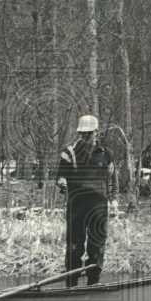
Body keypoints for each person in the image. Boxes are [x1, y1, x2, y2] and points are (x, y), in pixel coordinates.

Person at [56, 114, 117, 287]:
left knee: (96, 245)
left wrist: (113, 199)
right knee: (75, 245)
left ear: (96, 133)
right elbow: (60, 178)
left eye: (89, 134)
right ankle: (71, 284)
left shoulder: (106, 154)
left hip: (99, 206)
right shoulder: (69, 153)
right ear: (79, 134)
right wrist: (63, 185)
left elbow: (112, 179)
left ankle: (93, 283)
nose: (86, 137)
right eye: (83, 134)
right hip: (77, 205)